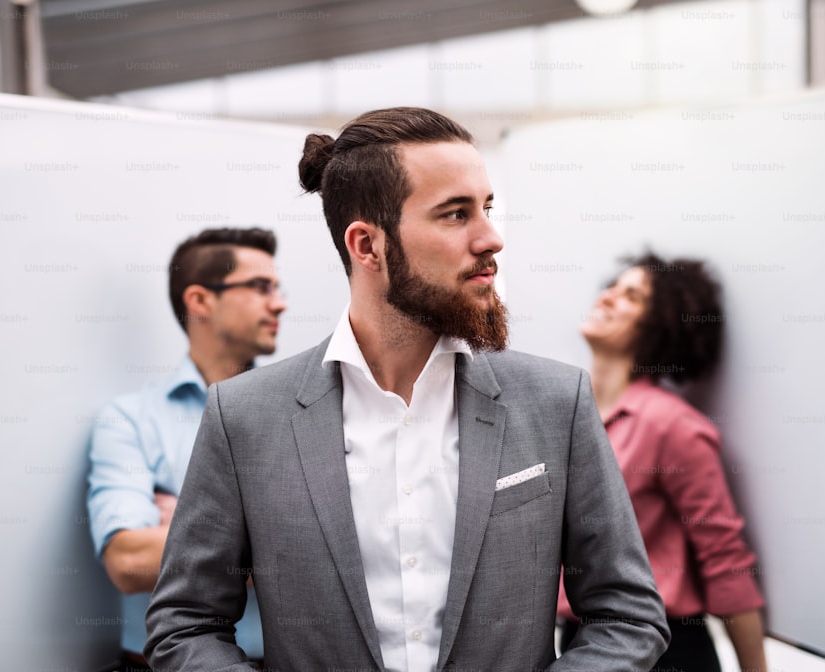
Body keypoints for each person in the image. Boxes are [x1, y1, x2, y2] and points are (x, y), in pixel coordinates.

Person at [144, 107, 670, 671]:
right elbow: (186, 624)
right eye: (454, 214)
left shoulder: (554, 402)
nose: (490, 238)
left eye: (487, 208)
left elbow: (626, 615)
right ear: (368, 246)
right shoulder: (244, 417)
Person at [87, 227, 287, 670]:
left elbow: (344, 550)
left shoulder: (300, 413)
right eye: (259, 287)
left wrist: (189, 526)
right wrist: (270, 540)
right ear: (199, 301)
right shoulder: (130, 419)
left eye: (276, 287)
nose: (280, 303)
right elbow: (126, 561)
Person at [557, 252, 768, 672]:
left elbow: (725, 561)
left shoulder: (671, 426)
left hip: (666, 650)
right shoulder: (564, 416)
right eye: (612, 287)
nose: (608, 297)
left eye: (631, 296)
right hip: (580, 643)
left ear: (659, 326)